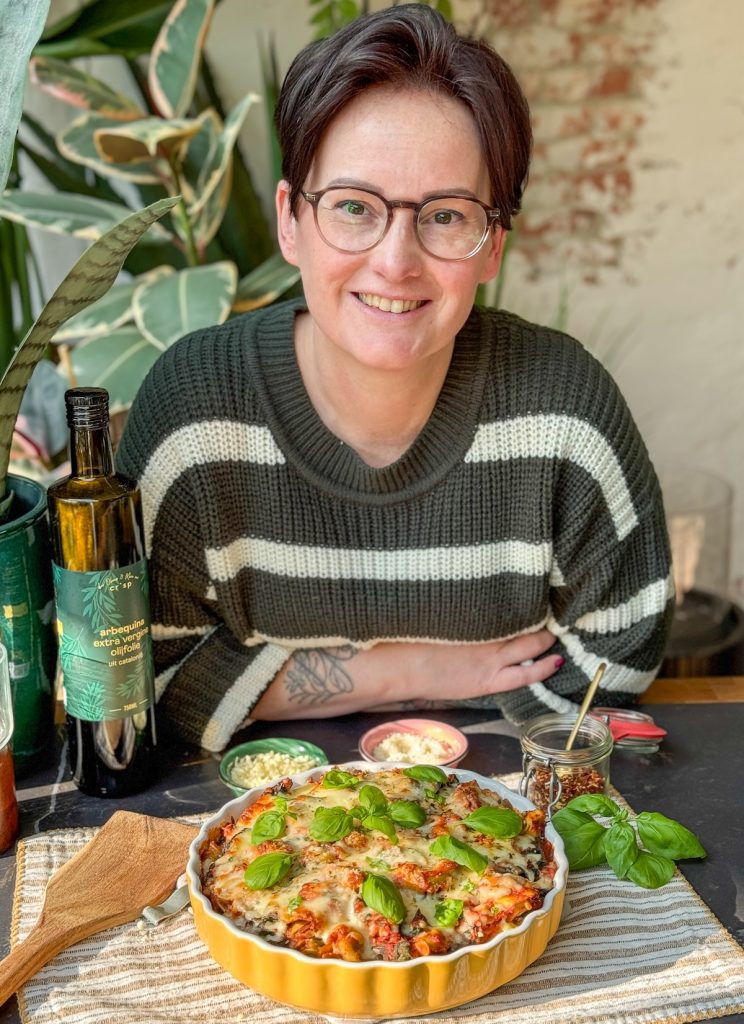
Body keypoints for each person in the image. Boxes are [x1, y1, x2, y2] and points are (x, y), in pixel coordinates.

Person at [116, 3, 674, 753]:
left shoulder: (564, 412)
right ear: (290, 221)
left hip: (501, 798)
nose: (395, 262)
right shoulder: (195, 411)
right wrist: (416, 671)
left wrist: (263, 686)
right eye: (354, 207)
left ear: (492, 246)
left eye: (445, 216)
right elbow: (144, 678)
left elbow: (617, 658)